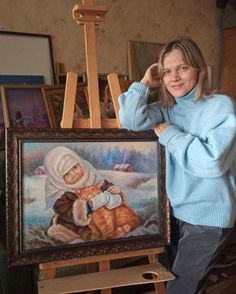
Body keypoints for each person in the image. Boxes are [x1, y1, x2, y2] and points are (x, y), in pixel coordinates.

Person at [118, 37, 236, 294]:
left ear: (198, 68)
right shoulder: (165, 108)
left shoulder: (221, 106)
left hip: (208, 214)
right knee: (187, 283)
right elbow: (129, 120)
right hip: (175, 211)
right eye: (167, 71)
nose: (174, 77)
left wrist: (170, 134)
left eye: (182, 68)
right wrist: (145, 83)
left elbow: (211, 162)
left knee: (180, 288)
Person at [44, 146, 139, 243]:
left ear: (79, 162)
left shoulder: (89, 174)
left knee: (118, 208)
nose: (74, 174)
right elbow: (68, 212)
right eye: (66, 174)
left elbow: (105, 185)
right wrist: (92, 204)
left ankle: (125, 224)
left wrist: (113, 192)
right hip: (78, 223)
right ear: (58, 178)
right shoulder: (59, 195)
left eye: (75, 167)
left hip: (105, 211)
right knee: (89, 231)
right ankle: (106, 235)